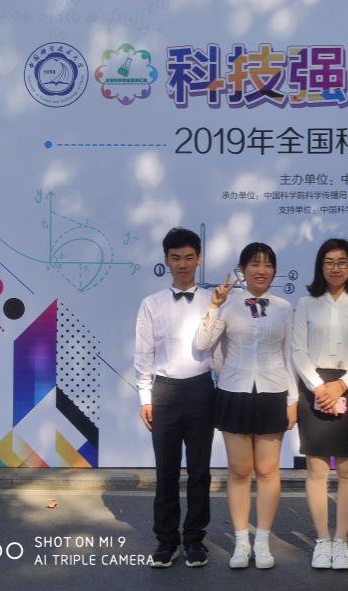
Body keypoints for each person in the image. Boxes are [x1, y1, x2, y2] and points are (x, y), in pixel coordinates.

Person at [195, 242, 298, 570]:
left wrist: (293, 399)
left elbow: (290, 356)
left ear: (274, 271)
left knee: (267, 471)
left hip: (273, 392)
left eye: (267, 264)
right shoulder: (228, 304)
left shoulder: (284, 308)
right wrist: (214, 307)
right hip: (234, 391)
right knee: (239, 471)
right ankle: (241, 542)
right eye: (254, 264)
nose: (261, 270)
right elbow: (202, 344)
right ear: (242, 270)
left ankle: (262, 541)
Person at [291, 238, 348, 570]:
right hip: (314, 386)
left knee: (347, 469)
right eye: (329, 262)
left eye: (342, 262)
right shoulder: (306, 303)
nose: (336, 268)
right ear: (320, 266)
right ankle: (321, 539)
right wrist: (319, 388)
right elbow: (298, 351)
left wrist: (341, 385)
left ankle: (341, 541)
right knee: (316, 469)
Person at [134, 227, 217, 568]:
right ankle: (166, 541)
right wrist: (145, 396)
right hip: (164, 391)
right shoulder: (151, 304)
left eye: (189, 257)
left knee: (199, 470)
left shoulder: (214, 301)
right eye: (176, 258)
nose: (183, 264)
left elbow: (222, 350)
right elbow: (144, 353)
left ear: (199, 259)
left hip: (202, 389)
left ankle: (195, 539)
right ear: (166, 261)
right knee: (166, 470)